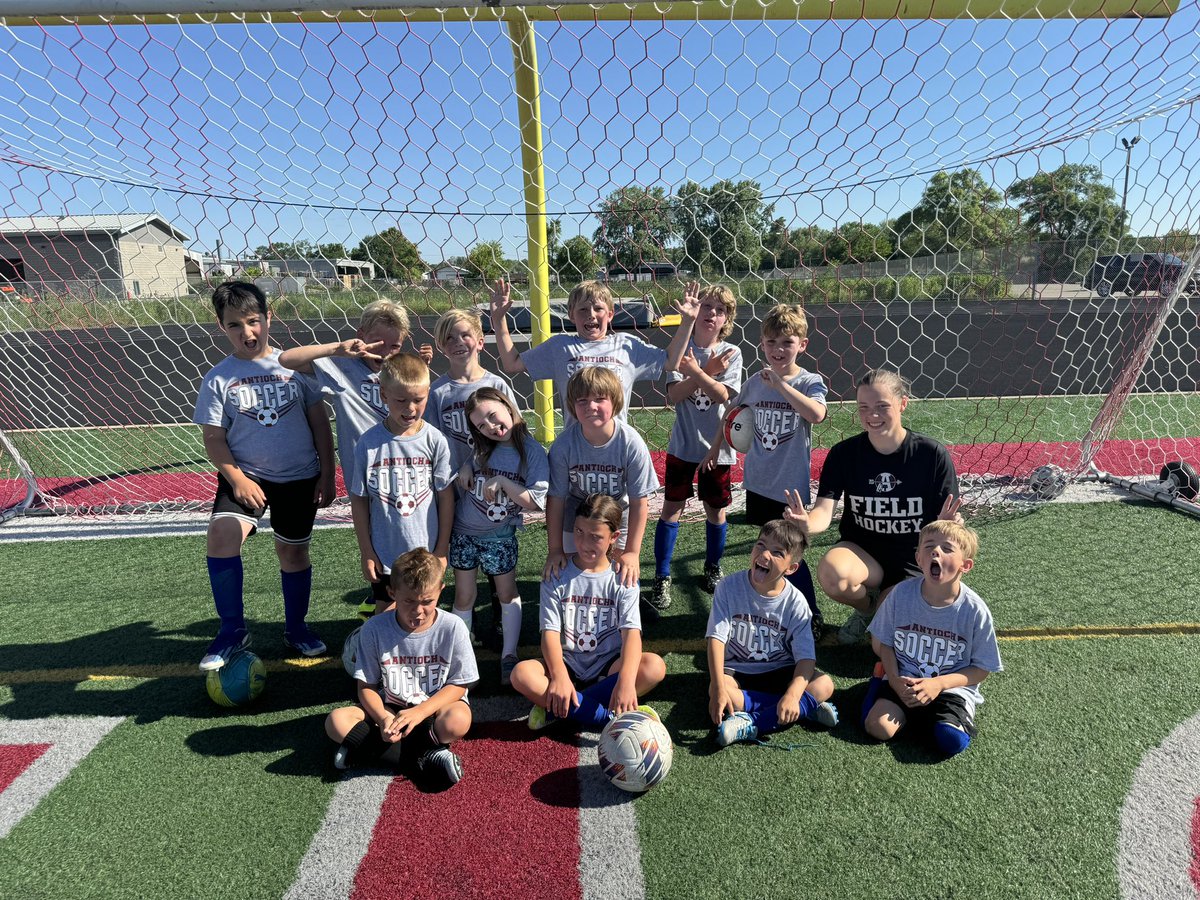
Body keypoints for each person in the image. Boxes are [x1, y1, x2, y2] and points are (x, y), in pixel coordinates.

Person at [192, 281, 335, 671]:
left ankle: (296, 627)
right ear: (222, 327)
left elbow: (318, 421)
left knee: (292, 552)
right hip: (246, 476)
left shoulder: (294, 366)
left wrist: (327, 472)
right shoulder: (219, 378)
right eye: (235, 325)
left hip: (299, 476)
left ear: (269, 318)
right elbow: (214, 438)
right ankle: (232, 630)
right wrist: (237, 479)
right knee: (222, 535)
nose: (247, 333)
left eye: (253, 321)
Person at [785, 368, 961, 646]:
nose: (872, 415)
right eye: (864, 407)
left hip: (912, 560)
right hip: (863, 552)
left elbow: (948, 525)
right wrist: (807, 523)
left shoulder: (930, 455)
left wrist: (950, 525)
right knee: (832, 573)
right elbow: (823, 511)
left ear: (903, 404)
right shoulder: (844, 454)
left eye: (882, 406)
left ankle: (885, 606)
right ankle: (866, 610)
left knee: (890, 625)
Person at [702, 303, 827, 633]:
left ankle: (811, 613)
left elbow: (816, 414)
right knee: (767, 551)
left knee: (792, 555)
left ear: (802, 344)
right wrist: (716, 448)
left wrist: (780, 386)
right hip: (758, 482)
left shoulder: (809, 381)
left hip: (791, 489)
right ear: (762, 344)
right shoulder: (755, 382)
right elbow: (733, 416)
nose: (778, 350)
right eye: (771, 342)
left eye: (787, 342)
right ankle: (766, 609)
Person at [509, 493, 666, 731]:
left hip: (608, 666)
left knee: (654, 667)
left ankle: (557, 706)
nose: (584, 543)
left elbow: (632, 635)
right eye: (579, 532)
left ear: (614, 537)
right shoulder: (557, 573)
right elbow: (549, 634)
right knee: (520, 674)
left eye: (595, 537)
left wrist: (624, 681)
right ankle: (608, 718)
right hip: (567, 663)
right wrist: (560, 675)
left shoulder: (623, 577)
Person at [324, 548, 477, 787]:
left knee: (458, 720)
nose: (418, 611)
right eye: (408, 601)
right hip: (390, 706)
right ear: (391, 592)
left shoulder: (453, 626)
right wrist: (384, 717)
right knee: (336, 721)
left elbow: (459, 685)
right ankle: (423, 755)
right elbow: (366, 686)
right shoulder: (374, 628)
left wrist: (420, 712)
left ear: (440, 591)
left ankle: (370, 751)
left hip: (434, 708)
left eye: (427, 601)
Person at [862, 520, 1001, 758]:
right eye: (929, 547)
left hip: (951, 689)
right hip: (905, 681)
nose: (936, 551)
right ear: (918, 559)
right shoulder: (901, 594)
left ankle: (939, 719)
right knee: (877, 728)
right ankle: (896, 704)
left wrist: (938, 684)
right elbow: (883, 643)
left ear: (965, 565)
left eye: (947, 548)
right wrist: (894, 679)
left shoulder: (974, 610)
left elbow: (981, 669)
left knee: (950, 741)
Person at [650, 284, 743, 611]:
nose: (711, 314)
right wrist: (705, 370)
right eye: (706, 306)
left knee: (716, 512)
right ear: (696, 310)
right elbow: (674, 396)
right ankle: (662, 575)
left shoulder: (732, 352)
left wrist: (699, 372)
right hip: (682, 447)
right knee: (671, 509)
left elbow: (723, 395)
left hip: (717, 451)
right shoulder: (681, 348)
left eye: (719, 310)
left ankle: (712, 566)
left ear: (726, 318)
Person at [706, 518, 839, 747]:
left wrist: (793, 693)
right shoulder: (728, 587)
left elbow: (806, 658)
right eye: (761, 545)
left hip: (781, 671)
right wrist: (718, 688)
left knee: (824, 685)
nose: (765, 555)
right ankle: (806, 709)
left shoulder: (796, 602)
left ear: (791, 568)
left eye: (777, 553)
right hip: (738, 671)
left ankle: (754, 722)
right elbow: (715, 640)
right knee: (717, 688)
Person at [489, 277, 692, 425]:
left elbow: (670, 361)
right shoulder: (560, 346)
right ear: (571, 315)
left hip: (615, 445)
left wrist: (688, 322)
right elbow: (512, 363)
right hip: (574, 448)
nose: (591, 315)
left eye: (598, 309)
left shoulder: (627, 345)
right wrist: (498, 320)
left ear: (610, 314)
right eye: (583, 310)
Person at [452, 387, 549, 685]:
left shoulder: (531, 451)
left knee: (507, 594)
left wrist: (503, 481)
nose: (491, 427)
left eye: (493, 416)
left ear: (508, 405)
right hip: (463, 533)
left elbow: (535, 501)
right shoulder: (483, 447)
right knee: (464, 597)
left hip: (500, 537)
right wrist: (466, 467)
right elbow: (470, 461)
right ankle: (461, 658)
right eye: (481, 425)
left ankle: (509, 655)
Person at [349, 353, 454, 615]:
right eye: (401, 400)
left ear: (428, 393)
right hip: (386, 555)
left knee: (424, 612)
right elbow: (360, 500)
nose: (410, 409)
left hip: (426, 554)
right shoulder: (368, 444)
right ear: (384, 395)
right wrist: (366, 551)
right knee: (386, 614)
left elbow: (446, 497)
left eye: (418, 400)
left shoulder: (435, 441)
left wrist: (441, 551)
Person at [278, 299, 432, 475]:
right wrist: (336, 349)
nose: (385, 352)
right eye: (378, 343)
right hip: (362, 474)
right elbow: (286, 360)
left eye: (394, 346)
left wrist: (421, 369)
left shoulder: (403, 371)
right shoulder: (344, 368)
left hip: (404, 468)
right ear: (361, 335)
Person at [545, 366, 659, 590]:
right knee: (571, 576)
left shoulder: (630, 443)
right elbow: (556, 500)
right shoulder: (563, 445)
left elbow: (639, 502)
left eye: (600, 399)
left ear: (615, 402)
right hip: (576, 519)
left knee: (619, 577)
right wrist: (555, 549)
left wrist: (633, 552)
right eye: (582, 401)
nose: (591, 407)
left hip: (617, 519)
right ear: (572, 406)